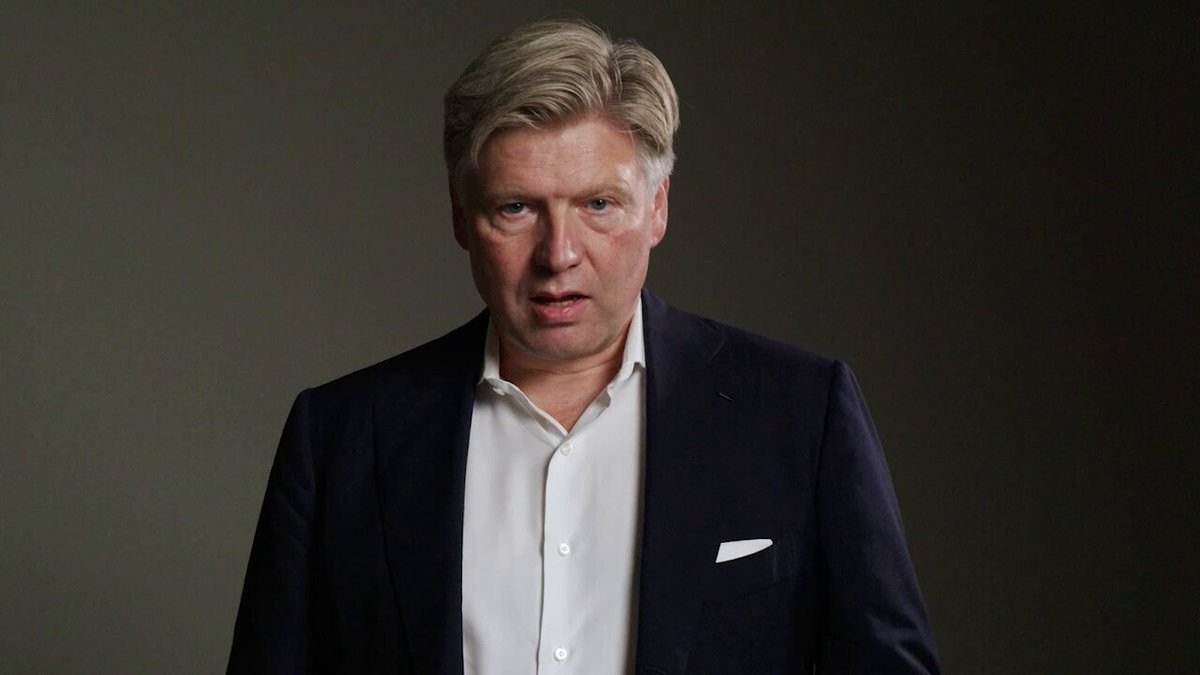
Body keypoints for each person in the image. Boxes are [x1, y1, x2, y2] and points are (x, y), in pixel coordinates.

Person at [228, 18, 939, 675]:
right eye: (516, 208)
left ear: (656, 208)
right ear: (461, 215)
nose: (559, 254)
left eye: (599, 205)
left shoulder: (801, 415)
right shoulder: (340, 438)